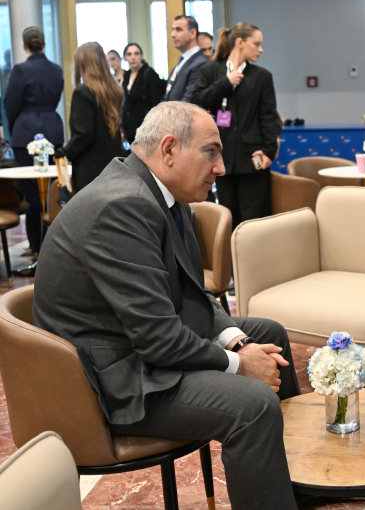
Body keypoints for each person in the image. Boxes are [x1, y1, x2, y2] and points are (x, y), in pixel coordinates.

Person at [33, 102, 300, 510]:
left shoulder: (162, 196)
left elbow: (196, 293)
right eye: (211, 152)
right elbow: (158, 340)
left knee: (269, 334)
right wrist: (239, 364)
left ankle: (291, 488)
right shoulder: (122, 205)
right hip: (114, 380)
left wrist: (239, 342)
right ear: (170, 149)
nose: (221, 167)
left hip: (136, 344)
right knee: (253, 404)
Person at [192, 23, 281, 228]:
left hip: (253, 157)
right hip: (221, 157)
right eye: (256, 44)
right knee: (228, 217)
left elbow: (268, 117)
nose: (260, 49)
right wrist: (226, 82)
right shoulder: (210, 70)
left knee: (254, 220)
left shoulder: (262, 76)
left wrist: (269, 151)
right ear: (240, 42)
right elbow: (196, 103)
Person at [3, 26, 65, 255]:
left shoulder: (20, 70)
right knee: (52, 191)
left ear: (24, 45)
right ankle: (55, 245)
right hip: (53, 130)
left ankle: (37, 246)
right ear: (44, 44)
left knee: (31, 193)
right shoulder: (56, 69)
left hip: (25, 131)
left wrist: (15, 128)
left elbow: (10, 105)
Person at [55, 42, 125, 193]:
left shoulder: (82, 92)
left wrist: (64, 152)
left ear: (81, 64)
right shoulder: (115, 91)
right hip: (113, 165)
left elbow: (85, 133)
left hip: (89, 169)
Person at [120, 42, 165, 145]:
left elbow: (156, 102)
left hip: (146, 126)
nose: (133, 57)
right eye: (129, 54)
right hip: (130, 128)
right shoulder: (126, 75)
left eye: (136, 53)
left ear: (141, 55)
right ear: (125, 57)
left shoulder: (149, 73)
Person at [164, 15, 209, 103]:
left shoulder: (200, 63)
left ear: (192, 33)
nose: (172, 34)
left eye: (178, 29)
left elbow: (188, 102)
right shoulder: (182, 61)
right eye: (173, 29)